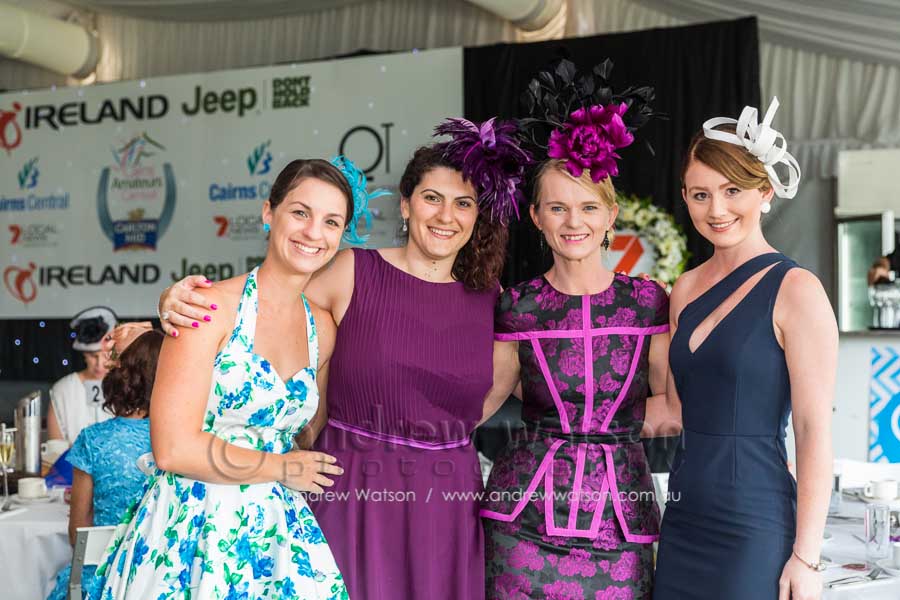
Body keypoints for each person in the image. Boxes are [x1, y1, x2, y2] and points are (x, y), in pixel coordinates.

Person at [155, 118, 531, 600]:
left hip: (446, 502)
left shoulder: (492, 300)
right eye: (431, 197)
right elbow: (263, 310)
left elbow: (527, 387)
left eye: (463, 203)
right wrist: (174, 303)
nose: (445, 215)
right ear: (405, 203)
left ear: (479, 215)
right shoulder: (352, 270)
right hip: (348, 487)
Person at [89, 157, 366, 599]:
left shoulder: (323, 328)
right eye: (300, 212)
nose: (314, 232)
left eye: (331, 221)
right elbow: (172, 449)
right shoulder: (206, 308)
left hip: (277, 533)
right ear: (268, 212)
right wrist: (281, 467)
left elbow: (307, 434)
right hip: (193, 525)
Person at [478, 61, 673, 599]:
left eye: (588, 207)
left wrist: (605, 425)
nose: (573, 221)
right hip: (521, 524)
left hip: (621, 521)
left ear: (611, 215)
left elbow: (675, 404)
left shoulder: (648, 302)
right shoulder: (516, 305)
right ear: (536, 217)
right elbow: (484, 398)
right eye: (557, 208)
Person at [653, 98, 837, 600]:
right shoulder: (684, 288)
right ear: (685, 198)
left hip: (755, 526)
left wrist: (807, 557)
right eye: (701, 194)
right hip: (683, 517)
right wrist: (560, 413)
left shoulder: (798, 290)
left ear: (766, 191)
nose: (716, 209)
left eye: (732, 190)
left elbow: (813, 431)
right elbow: (674, 410)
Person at [46, 329, 163, 600]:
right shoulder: (181, 441)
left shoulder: (92, 440)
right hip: (160, 580)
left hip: (101, 581)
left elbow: (78, 534)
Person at [48, 307, 117, 444]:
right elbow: (55, 449)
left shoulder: (128, 386)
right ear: (84, 354)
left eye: (105, 355)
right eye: (93, 356)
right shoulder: (62, 390)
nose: (99, 364)